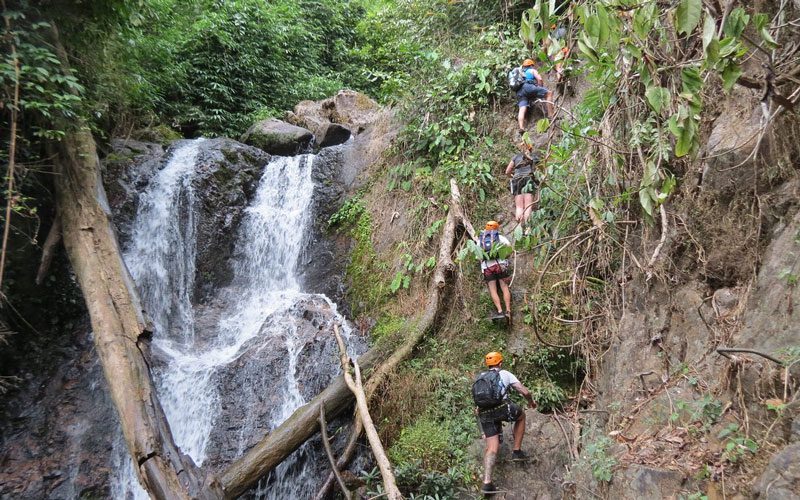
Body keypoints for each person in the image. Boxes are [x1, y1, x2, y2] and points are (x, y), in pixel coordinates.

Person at [475, 351, 537, 495]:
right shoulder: (505, 374)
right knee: (521, 416)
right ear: (500, 363)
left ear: (488, 365)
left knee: (492, 447)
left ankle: (487, 483)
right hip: (502, 409)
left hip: (484, 413)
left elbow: (478, 404)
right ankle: (516, 451)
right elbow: (524, 391)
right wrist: (531, 401)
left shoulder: (480, 378)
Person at [478, 221, 512, 321]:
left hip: (487, 267)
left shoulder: (480, 239)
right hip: (500, 265)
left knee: (493, 290)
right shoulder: (500, 238)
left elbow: (478, 256)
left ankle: (500, 311)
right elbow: (509, 249)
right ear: (497, 228)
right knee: (504, 287)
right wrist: (505, 257)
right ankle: (508, 311)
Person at [515, 59, 554, 133]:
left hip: (520, 91)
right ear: (531, 65)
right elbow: (539, 79)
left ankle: (521, 127)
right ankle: (550, 115)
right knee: (549, 93)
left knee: (522, 109)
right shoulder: (532, 70)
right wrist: (540, 87)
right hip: (528, 87)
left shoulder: (521, 73)